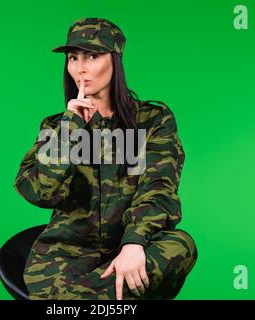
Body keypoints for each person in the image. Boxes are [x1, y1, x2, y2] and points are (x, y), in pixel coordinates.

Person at [14, 17, 198, 300]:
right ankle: (84, 297)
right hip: (66, 257)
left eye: (92, 56)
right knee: (111, 290)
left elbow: (159, 189)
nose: (80, 68)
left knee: (181, 245)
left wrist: (134, 243)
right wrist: (70, 129)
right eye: (73, 58)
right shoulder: (57, 127)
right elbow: (40, 191)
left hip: (130, 249)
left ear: (115, 61)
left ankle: (73, 301)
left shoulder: (151, 120)